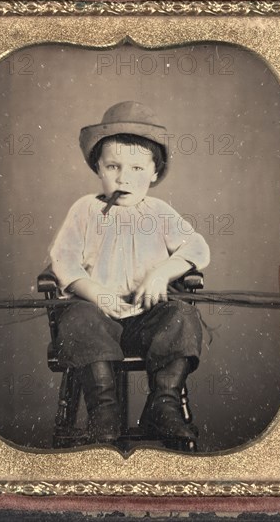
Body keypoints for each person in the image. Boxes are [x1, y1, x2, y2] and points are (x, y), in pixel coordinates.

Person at [49, 101, 210, 447]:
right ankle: (103, 412)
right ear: (98, 168)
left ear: (154, 172)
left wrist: (162, 274)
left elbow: (197, 248)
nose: (124, 177)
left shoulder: (159, 211)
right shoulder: (85, 210)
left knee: (182, 315)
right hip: (98, 322)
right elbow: (63, 261)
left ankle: (163, 403)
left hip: (147, 324)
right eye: (113, 166)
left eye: (137, 168)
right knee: (77, 318)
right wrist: (96, 293)